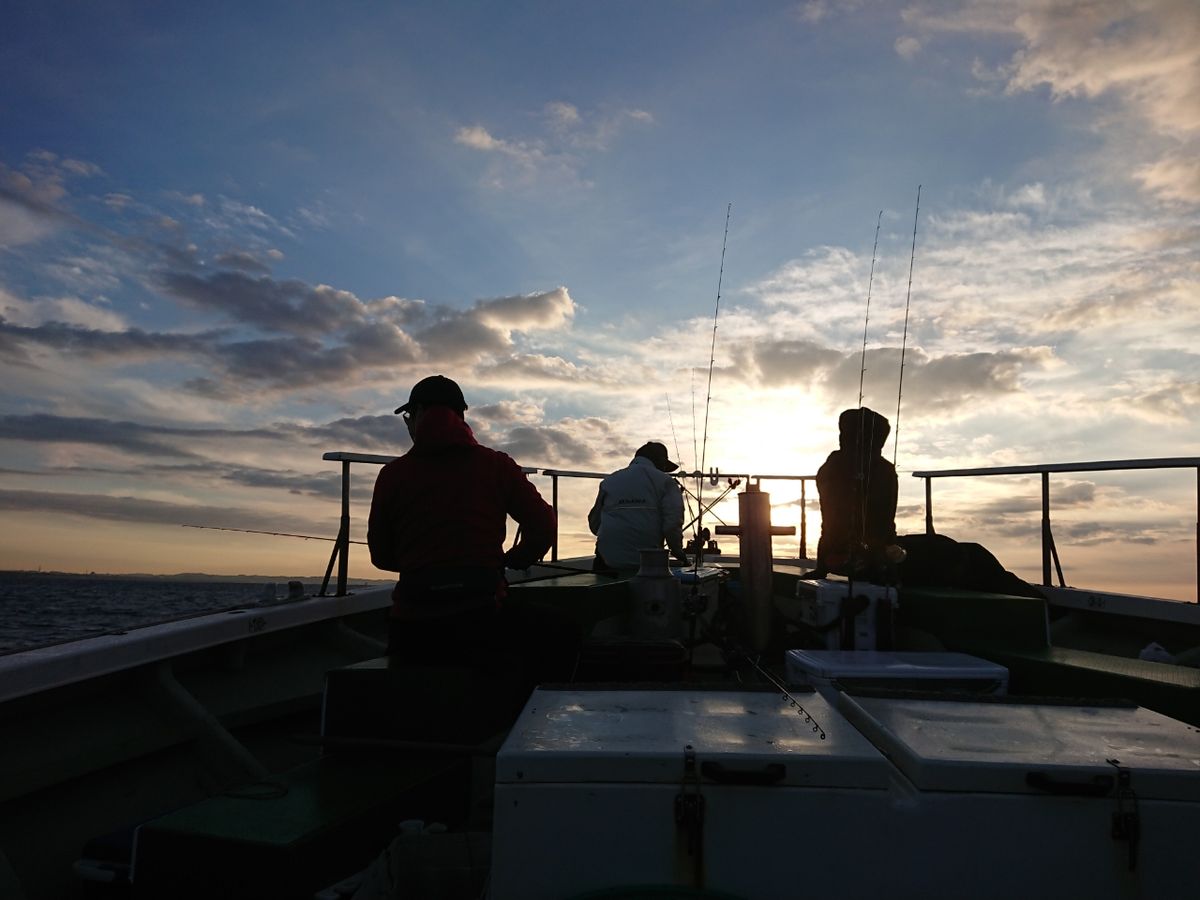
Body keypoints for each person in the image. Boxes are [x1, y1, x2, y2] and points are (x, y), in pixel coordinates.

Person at [367, 375, 564, 669]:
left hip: (412, 627)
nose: (408, 423)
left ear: (420, 413)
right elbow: (544, 524)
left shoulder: (392, 475)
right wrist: (516, 558)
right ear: (460, 417)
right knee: (562, 630)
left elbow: (381, 557)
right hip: (483, 617)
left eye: (408, 416)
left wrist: (425, 566)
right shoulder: (497, 466)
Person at [809, 407, 900, 581]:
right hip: (870, 559)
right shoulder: (886, 470)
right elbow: (887, 517)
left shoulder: (832, 464)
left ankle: (823, 567)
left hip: (835, 557)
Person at [588, 441, 689, 572]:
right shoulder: (666, 482)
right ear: (660, 463)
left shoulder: (609, 481)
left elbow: (594, 525)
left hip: (606, 563)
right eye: (664, 467)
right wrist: (679, 554)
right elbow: (672, 525)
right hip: (647, 564)